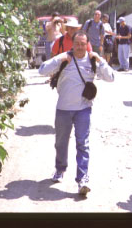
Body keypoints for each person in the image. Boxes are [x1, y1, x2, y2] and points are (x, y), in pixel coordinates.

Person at [38, 31, 115, 196]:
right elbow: (42, 70)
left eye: (83, 44)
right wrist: (59, 59)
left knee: (83, 144)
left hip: (83, 110)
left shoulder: (93, 60)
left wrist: (100, 60)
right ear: (72, 44)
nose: (80, 47)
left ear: (88, 44)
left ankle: (82, 180)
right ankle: (60, 169)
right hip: (63, 109)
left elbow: (111, 77)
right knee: (61, 143)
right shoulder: (65, 58)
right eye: (77, 43)